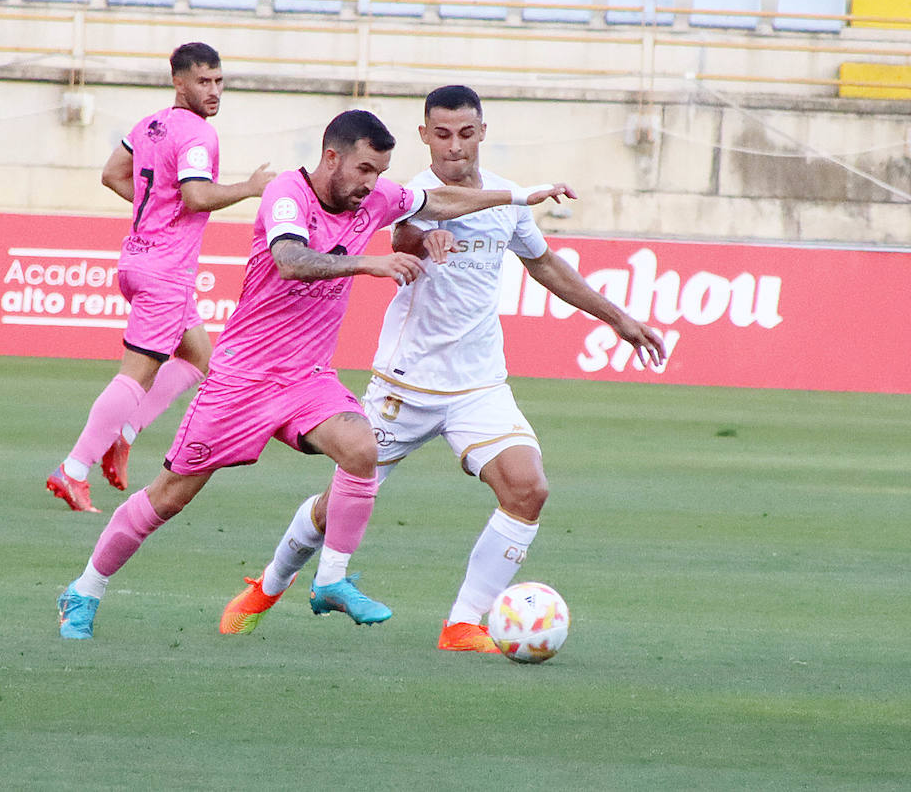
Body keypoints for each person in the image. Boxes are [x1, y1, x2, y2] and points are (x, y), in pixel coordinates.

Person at [56, 109, 575, 640]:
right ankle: (84, 590)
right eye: (365, 170)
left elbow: (438, 200)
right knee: (168, 497)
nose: (372, 185)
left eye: (380, 173)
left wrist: (516, 197)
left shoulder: (372, 198)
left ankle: (331, 580)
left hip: (306, 379)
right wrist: (369, 264)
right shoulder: (287, 193)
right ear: (332, 158)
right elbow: (291, 259)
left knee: (361, 448)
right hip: (241, 381)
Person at [219, 86, 665, 652]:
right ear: (424, 135)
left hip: (478, 384)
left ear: (482, 132)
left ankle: (463, 624)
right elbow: (401, 232)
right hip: (404, 384)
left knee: (527, 488)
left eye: (466, 133)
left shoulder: (505, 199)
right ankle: (269, 586)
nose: (455, 147)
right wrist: (420, 238)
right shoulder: (404, 193)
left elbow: (545, 263)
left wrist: (618, 318)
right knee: (337, 510)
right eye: (443, 134)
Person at [45, 42, 274, 514]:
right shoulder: (197, 135)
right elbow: (194, 196)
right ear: (178, 82)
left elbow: (112, 174)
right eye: (203, 82)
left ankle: (122, 434)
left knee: (199, 359)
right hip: (165, 272)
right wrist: (249, 189)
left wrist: (156, 210)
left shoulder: (149, 124)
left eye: (218, 81)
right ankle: (73, 469)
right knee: (136, 375)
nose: (213, 91)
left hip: (136, 260)